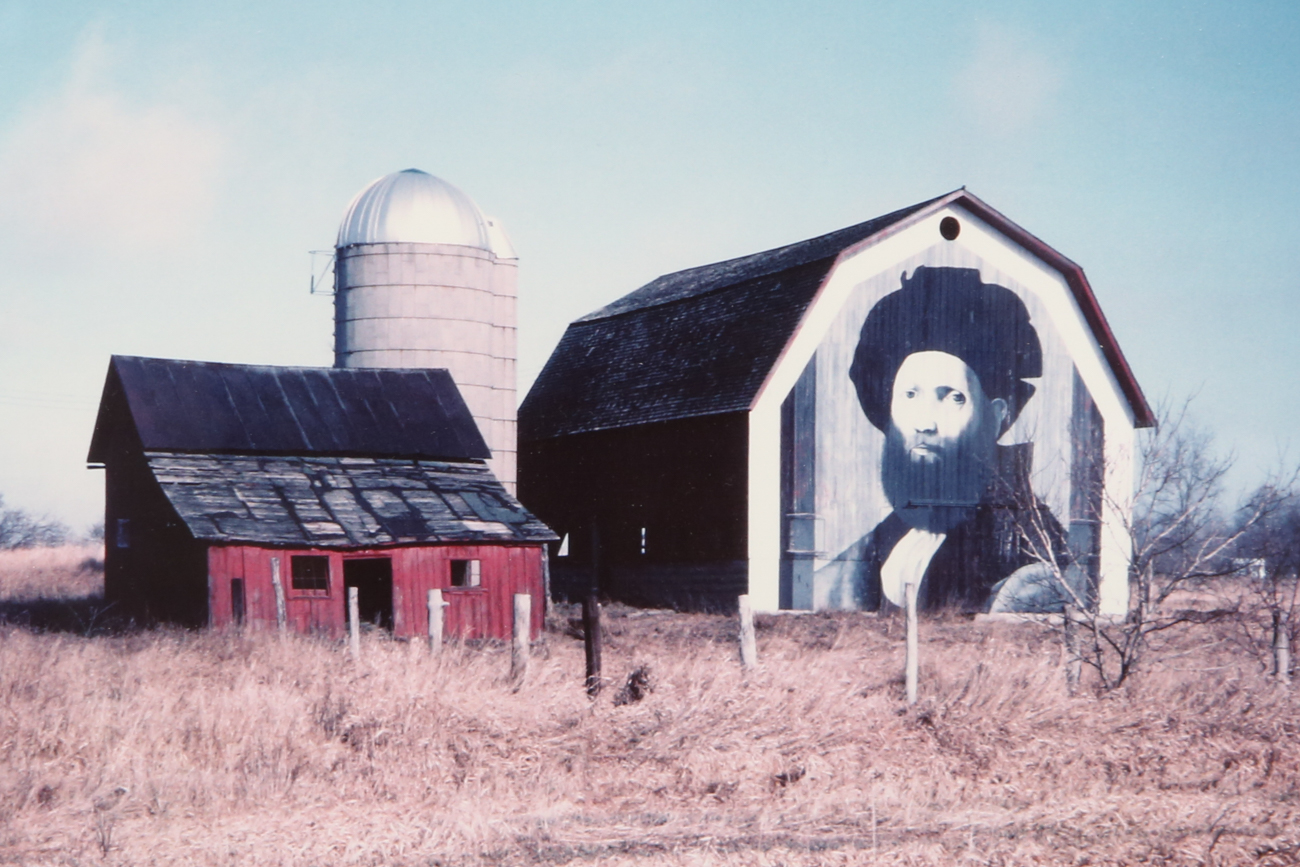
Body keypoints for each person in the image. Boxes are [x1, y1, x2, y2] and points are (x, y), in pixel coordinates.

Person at [821, 265, 1072, 613]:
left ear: (996, 414)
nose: (925, 423)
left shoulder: (1028, 557)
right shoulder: (875, 546)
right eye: (910, 395)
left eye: (953, 397)